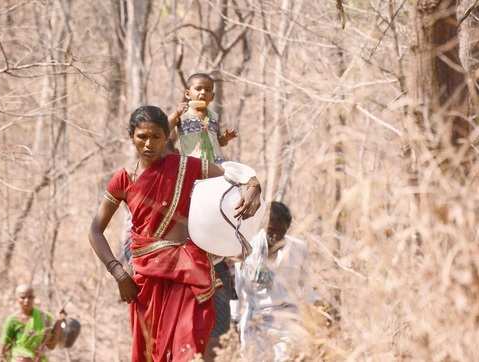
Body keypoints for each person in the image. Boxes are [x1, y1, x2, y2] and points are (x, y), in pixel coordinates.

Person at [88, 105, 262, 362]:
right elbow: (95, 230)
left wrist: (253, 185)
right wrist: (118, 272)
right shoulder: (123, 180)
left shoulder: (185, 167)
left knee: (186, 349)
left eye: (156, 136)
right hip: (144, 281)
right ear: (131, 136)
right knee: (150, 352)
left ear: (166, 136)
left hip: (186, 276)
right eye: (142, 137)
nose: (149, 143)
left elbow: (235, 175)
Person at [167, 72, 239, 357]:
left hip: (215, 166)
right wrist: (174, 115)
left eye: (208, 91)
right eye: (198, 89)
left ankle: (222, 246)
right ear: (188, 92)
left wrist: (225, 138)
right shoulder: (184, 117)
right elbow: (169, 134)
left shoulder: (212, 116)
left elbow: (216, 140)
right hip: (194, 166)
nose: (202, 94)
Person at [234, 202, 320, 362]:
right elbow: (238, 287)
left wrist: (313, 317)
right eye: (271, 231)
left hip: (287, 320)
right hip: (255, 320)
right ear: (264, 225)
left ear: (286, 230)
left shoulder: (299, 249)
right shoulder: (248, 248)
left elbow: (308, 286)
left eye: (280, 233)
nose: (274, 237)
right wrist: (235, 318)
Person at [0, 285, 65, 362]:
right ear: (17, 299)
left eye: (30, 297)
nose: (26, 300)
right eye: (23, 297)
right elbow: (4, 349)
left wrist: (59, 324)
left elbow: (51, 346)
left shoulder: (45, 318)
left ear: (34, 298)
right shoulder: (12, 320)